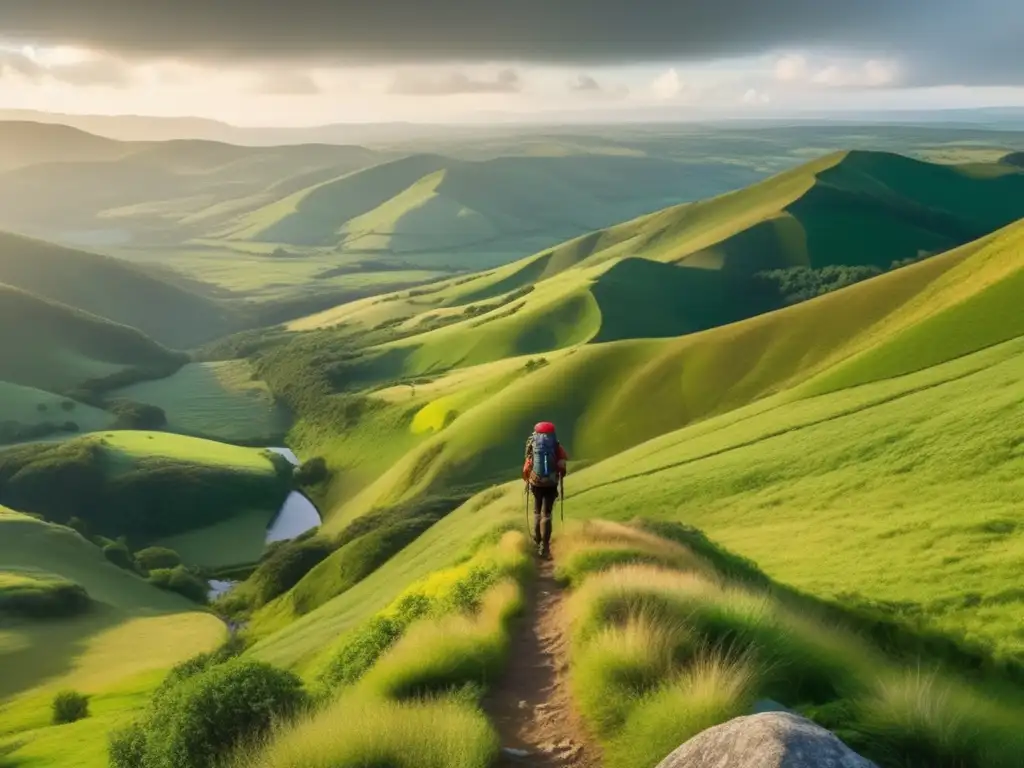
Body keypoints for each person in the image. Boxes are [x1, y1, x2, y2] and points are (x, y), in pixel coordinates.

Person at [522, 421, 568, 557]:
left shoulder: (532, 444)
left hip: (536, 483)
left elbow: (527, 465)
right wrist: (559, 475)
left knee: (537, 511)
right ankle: (545, 546)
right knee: (546, 514)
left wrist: (528, 479)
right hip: (551, 483)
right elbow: (562, 465)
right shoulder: (556, 445)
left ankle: (537, 541)